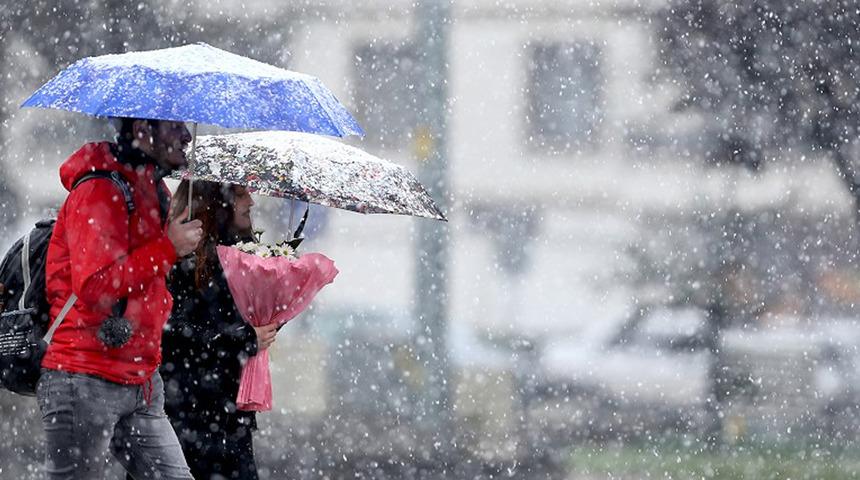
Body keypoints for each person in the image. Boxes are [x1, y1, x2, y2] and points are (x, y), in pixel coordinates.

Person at [37, 117, 202, 479]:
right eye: (175, 126)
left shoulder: (153, 189)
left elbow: (147, 278)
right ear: (143, 128)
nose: (186, 136)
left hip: (141, 379)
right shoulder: (99, 189)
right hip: (84, 377)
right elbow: (95, 286)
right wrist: (168, 248)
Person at [161, 179, 277, 480]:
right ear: (217, 202)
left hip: (228, 415)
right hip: (185, 413)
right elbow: (172, 333)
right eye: (241, 194)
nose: (250, 202)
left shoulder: (242, 257)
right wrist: (244, 339)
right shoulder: (180, 259)